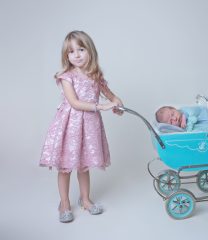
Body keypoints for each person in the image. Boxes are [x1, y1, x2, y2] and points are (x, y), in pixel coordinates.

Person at [39, 30, 123, 223]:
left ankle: (85, 200)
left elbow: (110, 94)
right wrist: (102, 106)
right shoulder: (67, 76)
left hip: (89, 127)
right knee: (65, 166)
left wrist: (117, 104)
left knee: (84, 166)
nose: (76, 55)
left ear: (90, 50)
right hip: (70, 126)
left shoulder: (95, 75)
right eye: (71, 51)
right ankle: (64, 203)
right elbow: (75, 103)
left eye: (81, 49)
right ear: (66, 56)